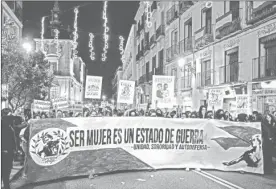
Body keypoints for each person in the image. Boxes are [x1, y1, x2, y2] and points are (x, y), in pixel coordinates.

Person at [1, 116, 17, 189]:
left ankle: (6, 185)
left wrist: (14, 149)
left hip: (9, 152)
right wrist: (3, 149)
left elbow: (12, 140)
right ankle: (6, 186)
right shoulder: (5, 128)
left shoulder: (9, 127)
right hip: (5, 153)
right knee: (5, 171)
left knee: (7, 170)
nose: (13, 122)